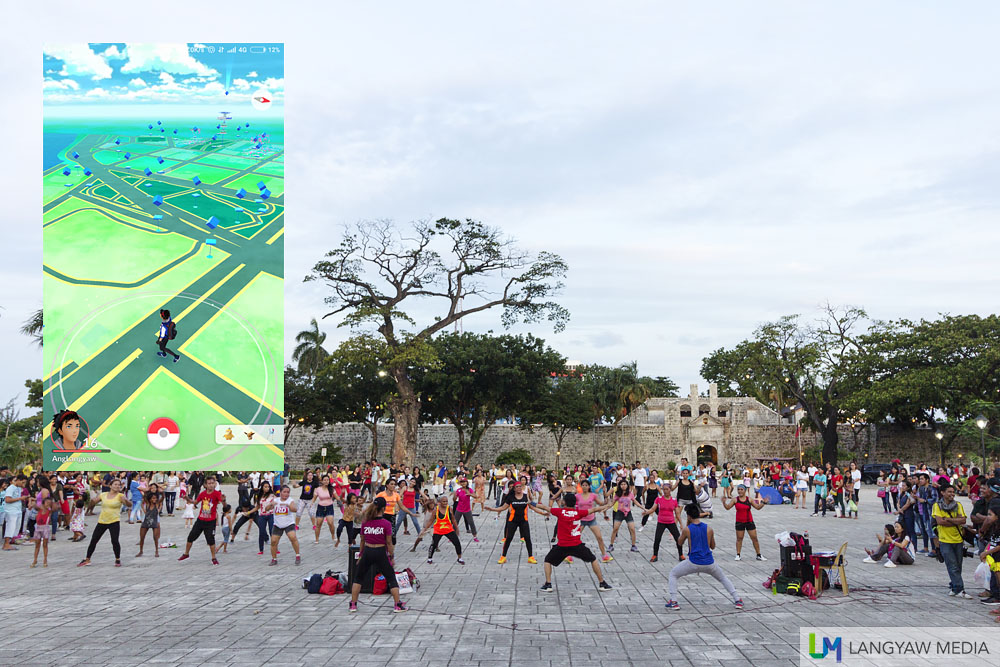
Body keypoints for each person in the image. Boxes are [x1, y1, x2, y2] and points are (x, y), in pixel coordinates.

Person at [665, 504, 744, 610]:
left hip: (693, 562)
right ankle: (737, 599)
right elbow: (713, 546)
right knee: (723, 578)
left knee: (673, 574)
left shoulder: (687, 529)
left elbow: (679, 542)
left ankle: (674, 601)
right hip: (709, 562)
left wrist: (687, 527)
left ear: (688, 516)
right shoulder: (709, 529)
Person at [536, 492, 613, 592]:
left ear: (564, 502)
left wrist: (530, 503)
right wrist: (607, 505)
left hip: (562, 545)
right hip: (576, 545)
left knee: (547, 561)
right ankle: (602, 583)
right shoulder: (579, 513)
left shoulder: (560, 511)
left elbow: (545, 508)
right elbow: (594, 509)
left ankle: (548, 584)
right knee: (593, 559)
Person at [349, 497, 407, 613]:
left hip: (368, 551)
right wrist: (391, 556)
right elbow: (389, 542)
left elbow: (362, 541)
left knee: (358, 578)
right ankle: (397, 604)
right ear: (384, 508)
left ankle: (353, 604)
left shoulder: (365, 522)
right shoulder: (386, 523)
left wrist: (360, 555)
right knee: (391, 578)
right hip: (381, 552)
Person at [486, 479, 547, 564]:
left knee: (528, 538)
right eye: (517, 487)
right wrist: (492, 509)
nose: (519, 488)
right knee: (508, 539)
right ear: (514, 489)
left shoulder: (526, 496)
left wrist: (542, 513)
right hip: (512, 521)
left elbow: (532, 507)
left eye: (520, 487)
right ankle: (503, 556)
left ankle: (530, 557)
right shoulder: (510, 497)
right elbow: (503, 508)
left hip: (524, 521)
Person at [79, 478, 131, 567]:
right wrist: (90, 502)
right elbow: (94, 502)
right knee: (94, 540)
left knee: (114, 541)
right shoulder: (103, 495)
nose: (117, 486)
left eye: (119, 485)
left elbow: (129, 505)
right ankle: (87, 559)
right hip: (102, 521)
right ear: (110, 486)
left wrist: (126, 501)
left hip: (114, 521)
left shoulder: (120, 496)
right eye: (115, 484)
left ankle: (117, 559)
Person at [932, 483, 972, 598]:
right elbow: (940, 522)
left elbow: (963, 520)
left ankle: (954, 587)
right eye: (949, 492)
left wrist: (948, 519)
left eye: (953, 492)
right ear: (942, 493)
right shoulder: (937, 506)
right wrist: (956, 520)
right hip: (945, 540)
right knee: (952, 565)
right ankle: (960, 589)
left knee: (958, 565)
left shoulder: (958, 505)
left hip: (958, 539)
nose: (952, 494)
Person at [177, 477, 222, 564]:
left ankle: (213, 558)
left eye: (213, 483)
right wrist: (187, 498)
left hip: (210, 521)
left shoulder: (217, 494)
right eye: (209, 483)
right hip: (200, 520)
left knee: (211, 540)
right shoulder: (203, 494)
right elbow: (195, 502)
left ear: (215, 484)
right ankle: (186, 553)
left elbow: (222, 503)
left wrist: (223, 501)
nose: (211, 485)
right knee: (190, 537)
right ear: (205, 485)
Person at [722, 485, 767, 561]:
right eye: (738, 489)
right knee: (739, 538)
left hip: (749, 521)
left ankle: (758, 554)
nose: (740, 491)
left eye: (741, 489)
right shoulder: (735, 500)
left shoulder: (749, 499)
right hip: (739, 522)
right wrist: (724, 503)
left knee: (754, 538)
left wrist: (763, 503)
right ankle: (738, 554)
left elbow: (758, 507)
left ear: (745, 490)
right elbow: (727, 507)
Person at [642, 481, 683, 562]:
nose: (665, 491)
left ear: (670, 490)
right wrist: (646, 512)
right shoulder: (659, 499)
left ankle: (681, 555)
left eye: (667, 489)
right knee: (657, 538)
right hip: (661, 522)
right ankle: (655, 555)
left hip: (671, 522)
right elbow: (653, 509)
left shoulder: (674, 501)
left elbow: (677, 513)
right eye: (663, 489)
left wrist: (681, 524)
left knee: (678, 539)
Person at [420, 495, 465, 565]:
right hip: (438, 530)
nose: (445, 503)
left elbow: (453, 519)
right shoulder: (436, 510)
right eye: (443, 501)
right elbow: (430, 521)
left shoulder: (449, 509)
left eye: (446, 501)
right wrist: (424, 529)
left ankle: (459, 558)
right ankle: (430, 558)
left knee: (457, 543)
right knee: (434, 544)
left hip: (448, 529)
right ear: (440, 502)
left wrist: (457, 528)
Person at [266, 485, 301, 566]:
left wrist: (289, 506)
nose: (286, 494)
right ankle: (274, 559)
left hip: (289, 523)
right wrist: (271, 504)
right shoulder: (276, 500)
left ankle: (297, 555)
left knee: (292, 537)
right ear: (280, 492)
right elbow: (266, 509)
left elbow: (294, 509)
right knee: (274, 541)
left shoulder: (290, 500)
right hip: (278, 524)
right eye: (284, 492)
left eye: (288, 492)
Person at [607, 479, 639, 553]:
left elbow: (635, 501)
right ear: (619, 486)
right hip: (619, 513)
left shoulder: (630, 493)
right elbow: (612, 503)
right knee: (615, 529)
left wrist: (643, 508)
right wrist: (605, 508)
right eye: (622, 484)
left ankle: (633, 546)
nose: (623, 486)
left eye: (625, 484)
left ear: (627, 485)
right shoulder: (617, 494)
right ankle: (611, 545)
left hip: (628, 513)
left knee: (632, 529)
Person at [3, 475, 28, 550]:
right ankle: (6, 544)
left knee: (16, 527)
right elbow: (7, 500)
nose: (23, 484)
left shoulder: (18, 488)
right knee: (10, 527)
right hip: (11, 511)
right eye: (23, 482)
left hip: (17, 510)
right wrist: (20, 498)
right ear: (18, 480)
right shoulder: (10, 488)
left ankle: (10, 541)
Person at [136, 485, 162, 558]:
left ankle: (156, 551)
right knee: (142, 537)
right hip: (147, 519)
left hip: (154, 519)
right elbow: (143, 500)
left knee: (155, 537)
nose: (154, 499)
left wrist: (159, 510)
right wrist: (144, 511)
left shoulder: (156, 501)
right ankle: (141, 551)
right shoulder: (148, 502)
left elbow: (161, 502)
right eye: (153, 498)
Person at [30, 490, 53, 568]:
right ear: (43, 503)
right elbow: (34, 505)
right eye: (47, 503)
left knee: (45, 544)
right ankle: (35, 559)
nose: (48, 505)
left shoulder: (49, 510)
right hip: (38, 528)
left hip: (45, 528)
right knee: (37, 545)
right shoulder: (39, 508)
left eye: (50, 504)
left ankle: (45, 559)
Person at [452, 478, 479, 542]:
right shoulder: (458, 490)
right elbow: (454, 500)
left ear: (467, 482)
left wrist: (470, 494)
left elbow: (476, 496)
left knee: (471, 523)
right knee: (455, 522)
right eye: (461, 482)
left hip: (467, 509)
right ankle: (453, 536)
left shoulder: (469, 489)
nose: (463, 483)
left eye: (464, 482)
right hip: (459, 509)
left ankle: (475, 536)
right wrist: (454, 496)